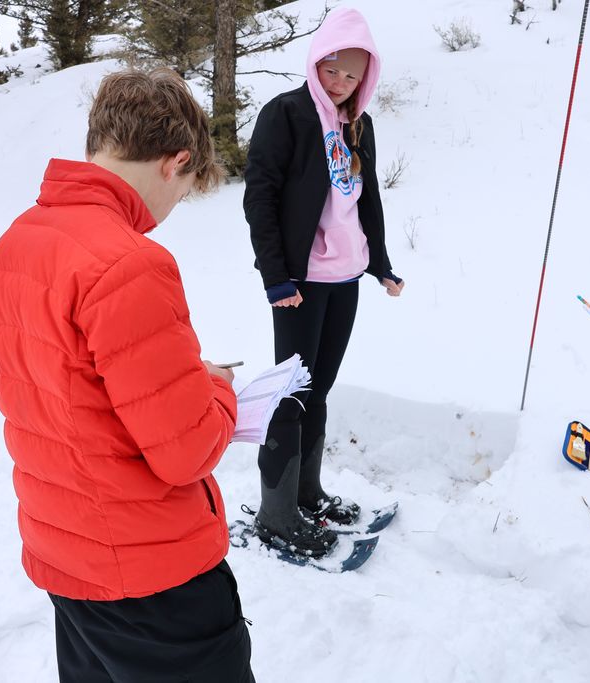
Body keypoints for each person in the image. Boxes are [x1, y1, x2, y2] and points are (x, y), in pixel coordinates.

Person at [0, 69, 254, 683]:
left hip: (69, 562)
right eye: (184, 190)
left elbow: (70, 394)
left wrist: (177, 378)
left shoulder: (13, 247)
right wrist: (217, 388)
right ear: (176, 162)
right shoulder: (129, 263)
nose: (168, 213)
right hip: (152, 578)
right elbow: (188, 452)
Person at [243, 7, 404, 557]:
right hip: (299, 281)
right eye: (332, 70)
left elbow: (368, 200)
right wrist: (275, 276)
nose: (340, 83)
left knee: (320, 390)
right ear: (316, 64)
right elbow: (259, 197)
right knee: (290, 395)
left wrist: (379, 262)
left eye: (352, 75)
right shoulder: (286, 114)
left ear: (367, 77)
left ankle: (307, 492)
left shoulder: (359, 125)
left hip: (344, 277)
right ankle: (275, 513)